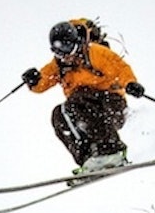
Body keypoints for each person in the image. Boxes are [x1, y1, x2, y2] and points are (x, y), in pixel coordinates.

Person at [21, 19, 146, 174]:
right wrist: (34, 81)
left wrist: (130, 83)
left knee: (78, 98)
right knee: (59, 114)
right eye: (58, 51)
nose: (64, 56)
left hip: (111, 105)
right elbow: (43, 82)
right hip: (85, 111)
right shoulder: (59, 65)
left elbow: (119, 68)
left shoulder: (94, 53)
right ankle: (89, 158)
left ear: (76, 43)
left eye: (67, 48)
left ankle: (112, 150)